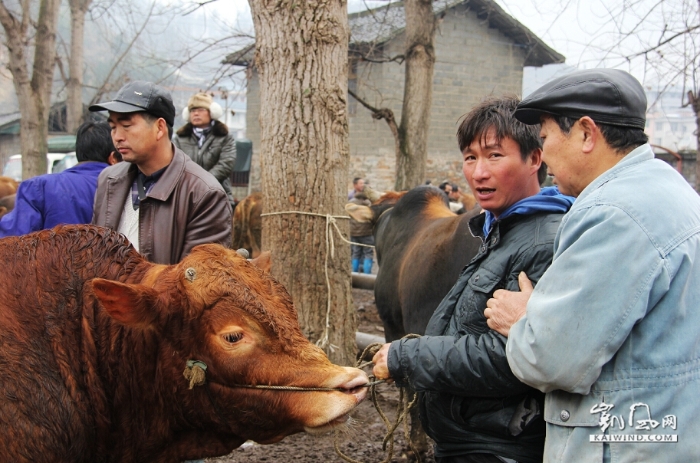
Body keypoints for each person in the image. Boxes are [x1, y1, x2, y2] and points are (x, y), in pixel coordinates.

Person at [484, 69, 700, 462]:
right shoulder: (668, 190)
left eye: (546, 137)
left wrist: (522, 319)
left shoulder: (614, 214)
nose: (544, 154)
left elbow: (549, 360)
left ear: (586, 133)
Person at [372, 96, 575, 463]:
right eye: (470, 157)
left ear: (534, 159)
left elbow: (512, 359)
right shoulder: (500, 231)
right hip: (471, 438)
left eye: (495, 156)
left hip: (497, 445)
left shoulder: (543, 242)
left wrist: (407, 356)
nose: (479, 172)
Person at [89, 80, 232, 265]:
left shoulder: (204, 194)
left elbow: (197, 284)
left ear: (159, 128)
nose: (117, 137)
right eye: (113, 127)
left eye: (126, 125)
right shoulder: (109, 179)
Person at [0, 121, 120, 237]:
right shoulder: (126, 187)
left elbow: (11, 240)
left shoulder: (38, 187)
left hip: (50, 257)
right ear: (113, 158)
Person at [173, 92, 236, 207]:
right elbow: (174, 163)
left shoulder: (224, 137)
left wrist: (203, 182)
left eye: (201, 109)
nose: (196, 113)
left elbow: (226, 163)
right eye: (192, 110)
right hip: (186, 196)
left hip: (218, 195)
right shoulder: (179, 139)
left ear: (212, 112)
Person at [347, 192, 375, 274]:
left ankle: (354, 273)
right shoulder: (367, 204)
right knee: (368, 253)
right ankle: (367, 274)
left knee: (356, 252)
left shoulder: (350, 203)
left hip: (353, 233)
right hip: (366, 233)